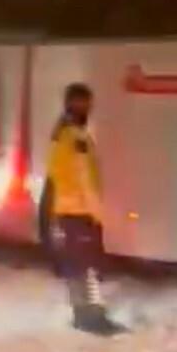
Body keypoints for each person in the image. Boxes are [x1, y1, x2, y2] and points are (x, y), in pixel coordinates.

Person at [46, 82, 124, 336]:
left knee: (77, 265)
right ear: (74, 104)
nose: (89, 108)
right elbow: (84, 179)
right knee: (86, 266)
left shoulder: (61, 133)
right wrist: (99, 214)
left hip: (68, 209)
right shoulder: (76, 137)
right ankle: (90, 317)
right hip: (79, 211)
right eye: (85, 103)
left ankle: (84, 314)